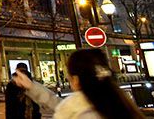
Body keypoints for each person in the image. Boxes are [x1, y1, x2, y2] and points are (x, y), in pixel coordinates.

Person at [13, 49, 144, 119]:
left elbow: (65, 108)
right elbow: (60, 104)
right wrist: (32, 86)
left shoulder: (76, 111)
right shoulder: (119, 103)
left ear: (76, 79)